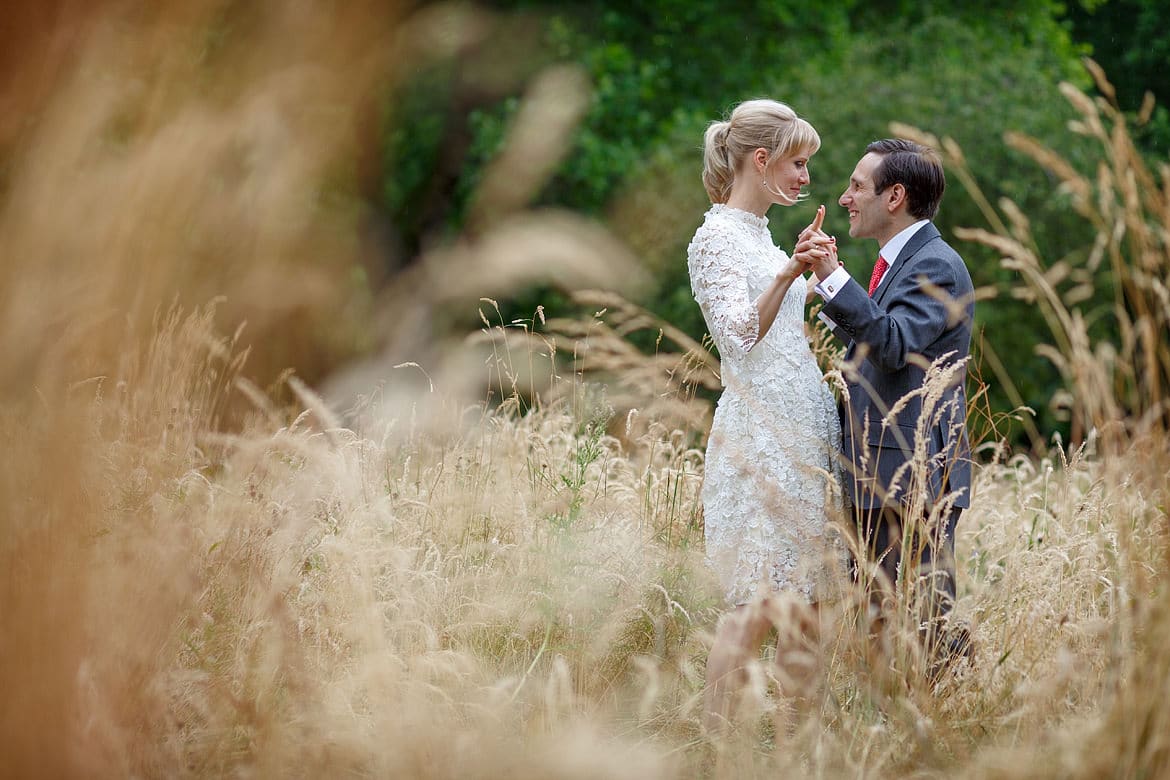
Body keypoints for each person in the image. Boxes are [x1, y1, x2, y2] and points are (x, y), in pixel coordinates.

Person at [687, 99, 844, 730]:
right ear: (762, 159)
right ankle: (715, 747)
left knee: (807, 603)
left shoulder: (761, 234)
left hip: (805, 430)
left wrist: (813, 273)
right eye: (798, 163)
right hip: (760, 437)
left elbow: (784, 330)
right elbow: (736, 334)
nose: (806, 177)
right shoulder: (715, 237)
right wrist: (788, 274)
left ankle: (798, 753)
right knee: (752, 603)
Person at [801, 138, 975, 666]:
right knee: (879, 612)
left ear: (894, 195)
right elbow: (879, 341)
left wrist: (836, 279)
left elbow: (896, 344)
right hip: (884, 466)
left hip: (912, 471)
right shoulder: (901, 260)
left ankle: (948, 718)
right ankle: (898, 718)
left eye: (857, 186)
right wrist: (827, 294)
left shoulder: (936, 265)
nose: (846, 197)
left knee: (921, 617)